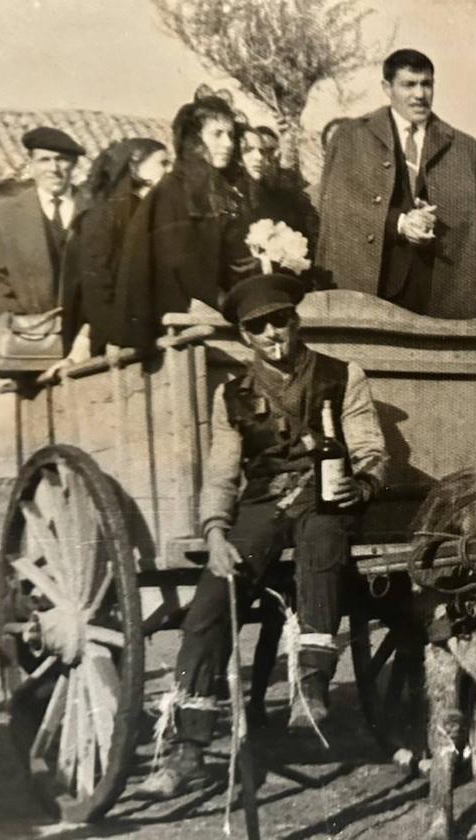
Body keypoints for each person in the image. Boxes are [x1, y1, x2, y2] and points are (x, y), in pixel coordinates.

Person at [140, 273, 388, 799]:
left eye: (281, 320)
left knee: (322, 549)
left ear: (296, 321)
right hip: (261, 506)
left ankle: (311, 688)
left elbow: (369, 445)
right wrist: (215, 534)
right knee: (210, 602)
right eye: (259, 326)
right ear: (244, 336)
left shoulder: (343, 376)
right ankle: (188, 746)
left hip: (326, 498)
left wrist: (362, 484)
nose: (273, 332)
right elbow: (224, 475)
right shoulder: (233, 395)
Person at [316, 48, 476, 318]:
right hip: (370, 288)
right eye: (409, 85)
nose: (419, 95)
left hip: (438, 293)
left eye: (426, 84)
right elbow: (338, 207)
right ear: (387, 87)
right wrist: (400, 223)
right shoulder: (351, 137)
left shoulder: (467, 150)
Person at [112, 89, 254, 352]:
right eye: (217, 134)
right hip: (172, 325)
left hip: (203, 318)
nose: (228, 144)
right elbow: (183, 266)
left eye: (231, 135)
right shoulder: (173, 192)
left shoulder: (214, 190)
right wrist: (233, 307)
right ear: (193, 139)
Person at [64, 137, 170, 359]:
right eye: (163, 163)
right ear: (134, 166)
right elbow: (97, 285)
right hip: (116, 340)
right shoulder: (104, 214)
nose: (169, 171)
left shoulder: (152, 211)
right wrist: (114, 336)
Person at [0, 126, 87, 324]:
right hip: (30, 336)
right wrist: (19, 322)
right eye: (44, 160)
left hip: (88, 337)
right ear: (31, 165)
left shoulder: (98, 209)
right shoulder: (6, 216)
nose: (54, 168)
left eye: (61, 159)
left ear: (74, 164)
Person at [240, 124, 319, 256]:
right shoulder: (240, 192)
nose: (264, 157)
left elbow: (309, 227)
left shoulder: (289, 185)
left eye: (266, 151)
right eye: (249, 150)